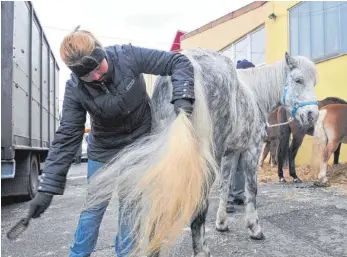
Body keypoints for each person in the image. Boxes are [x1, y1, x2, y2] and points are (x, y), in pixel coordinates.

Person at [26, 27, 195, 257]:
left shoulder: (128, 56)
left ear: (101, 51)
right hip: (103, 152)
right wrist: (47, 188)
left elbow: (178, 61)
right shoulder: (75, 89)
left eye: (98, 67)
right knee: (92, 210)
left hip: (138, 147)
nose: (96, 76)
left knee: (129, 209)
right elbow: (67, 136)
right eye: (87, 76)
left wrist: (183, 97)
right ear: (77, 74)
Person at [226, 59, 255, 213]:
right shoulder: (234, 90)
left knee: (241, 166)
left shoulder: (250, 91)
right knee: (231, 166)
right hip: (234, 133)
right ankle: (228, 200)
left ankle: (238, 195)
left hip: (246, 133)